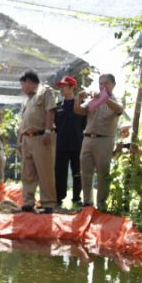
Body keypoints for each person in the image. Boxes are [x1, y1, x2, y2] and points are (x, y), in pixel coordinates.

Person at [75, 73, 123, 210]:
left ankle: (101, 205)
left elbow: (119, 109)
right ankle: (87, 204)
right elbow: (78, 111)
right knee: (86, 172)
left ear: (113, 85)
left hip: (105, 141)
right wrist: (78, 98)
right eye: (100, 83)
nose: (102, 86)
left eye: (106, 83)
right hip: (88, 139)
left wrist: (103, 98)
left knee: (103, 173)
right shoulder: (93, 100)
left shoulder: (116, 100)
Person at [17, 70, 57, 213]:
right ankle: (28, 201)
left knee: (45, 170)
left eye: (23, 84)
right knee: (27, 172)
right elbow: (23, 123)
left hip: (42, 137)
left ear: (29, 82)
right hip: (27, 138)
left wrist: (47, 131)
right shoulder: (27, 100)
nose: (22, 88)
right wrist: (20, 141)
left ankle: (48, 203)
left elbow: (50, 111)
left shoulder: (44, 92)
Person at [54, 75, 87, 207]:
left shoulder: (81, 105)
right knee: (60, 172)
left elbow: (84, 124)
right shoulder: (57, 107)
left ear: (73, 87)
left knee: (77, 171)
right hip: (61, 144)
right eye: (60, 86)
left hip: (77, 144)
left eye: (64, 86)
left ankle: (77, 198)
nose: (61, 89)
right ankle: (58, 197)